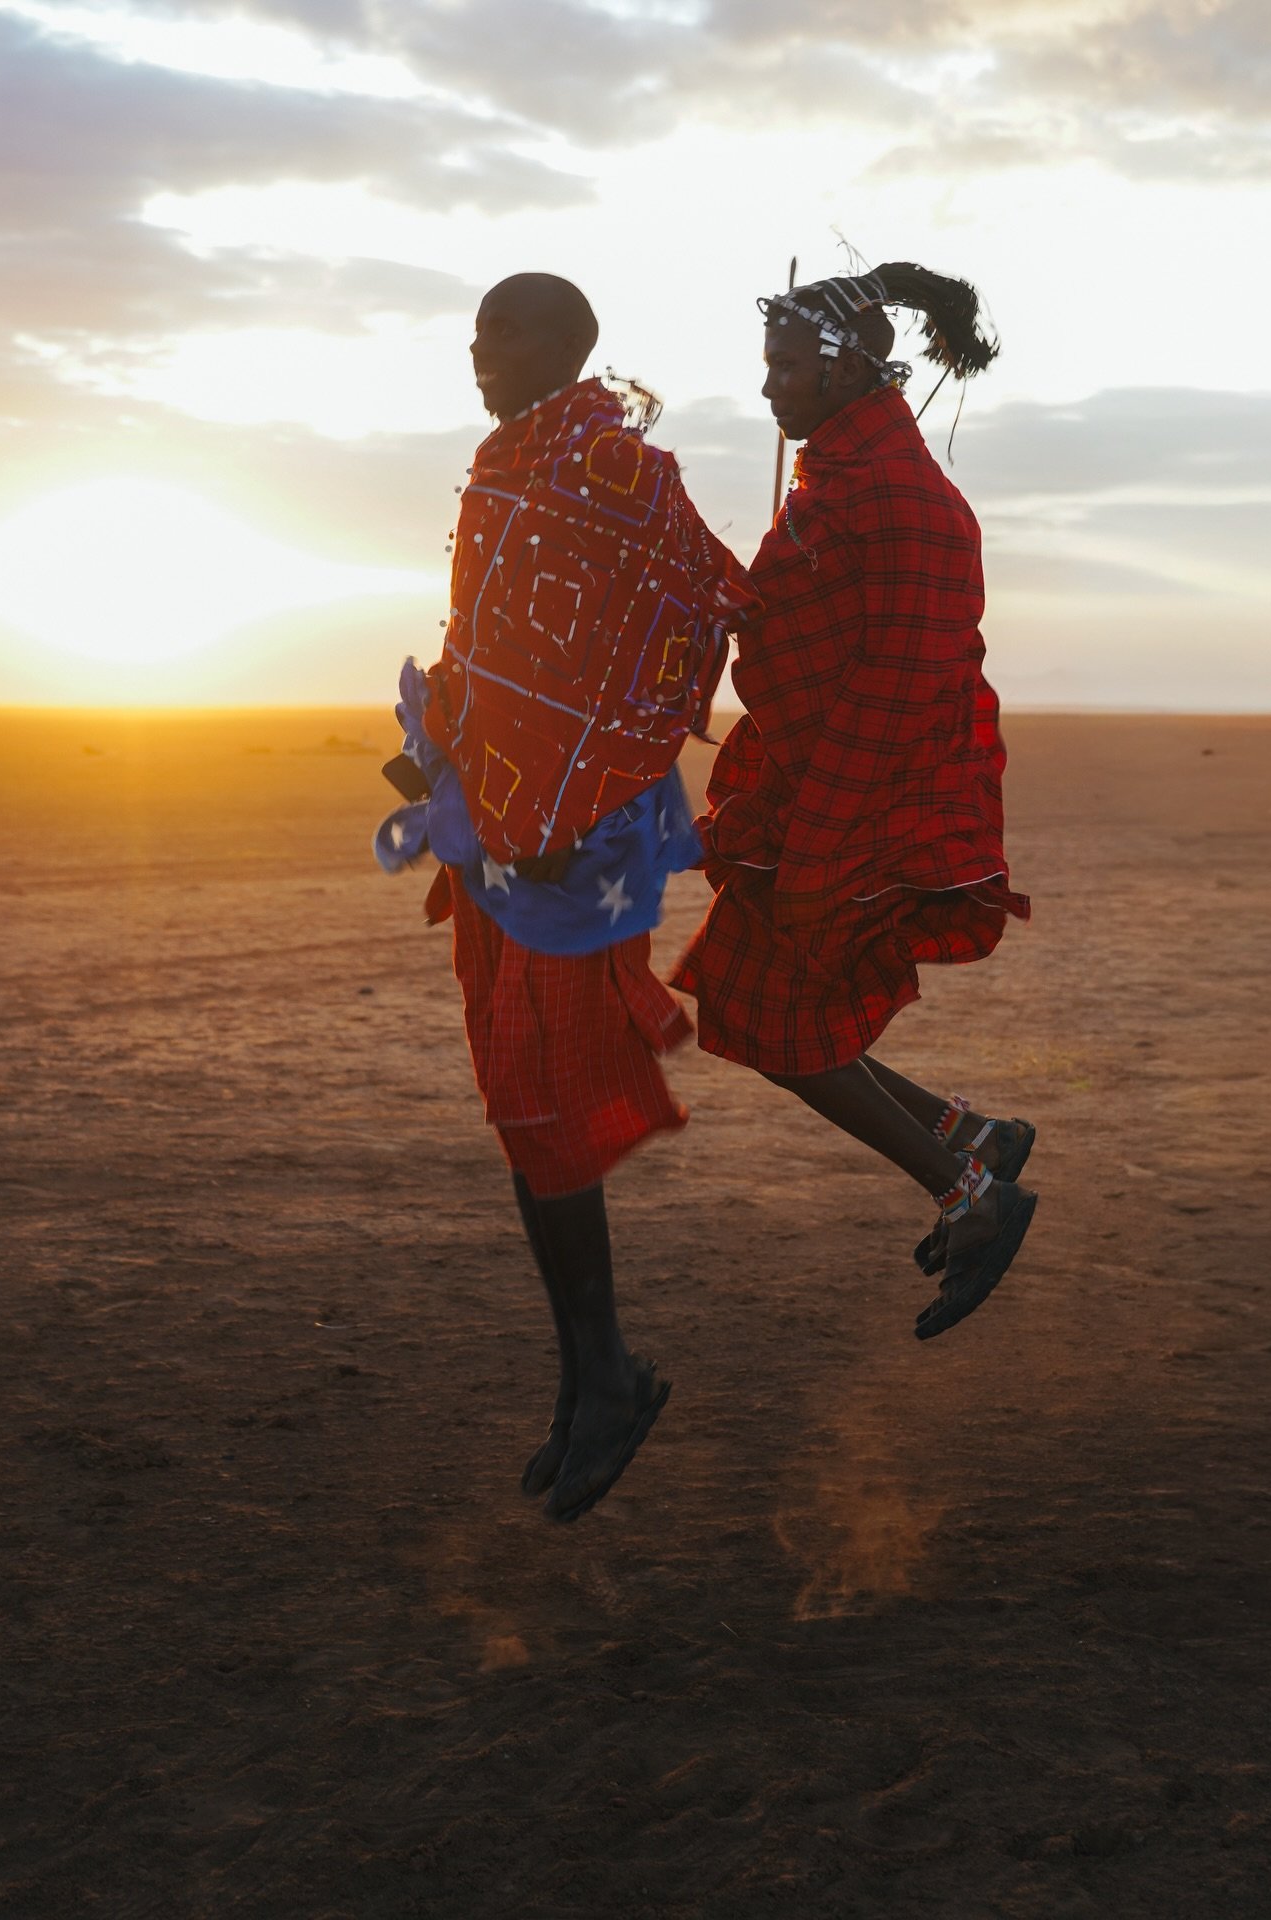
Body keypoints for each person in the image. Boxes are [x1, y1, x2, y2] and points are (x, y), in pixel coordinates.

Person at [376, 273, 757, 1521]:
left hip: (579, 839)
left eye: (506, 332)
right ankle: (591, 1372)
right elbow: (492, 642)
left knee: (542, 1097)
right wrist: (450, 734)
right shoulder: (502, 469)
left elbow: (705, 602)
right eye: (477, 333)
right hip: (494, 824)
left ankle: (606, 1379)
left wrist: (585, 766)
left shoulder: (623, 475)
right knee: (515, 1100)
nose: (480, 351)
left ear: (570, 345)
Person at [672, 262, 1037, 1339]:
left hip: (862, 803)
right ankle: (972, 1140)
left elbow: (897, 687)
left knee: (784, 1029)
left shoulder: (909, 503)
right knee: (756, 1009)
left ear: (843, 367)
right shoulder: (838, 480)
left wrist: (823, 845)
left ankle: (976, 1197)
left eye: (787, 365)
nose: (770, 387)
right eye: (769, 364)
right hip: (810, 790)